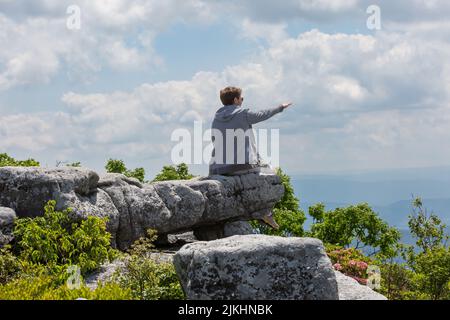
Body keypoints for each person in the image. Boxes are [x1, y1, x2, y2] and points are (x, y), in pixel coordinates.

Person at [208, 86, 293, 229]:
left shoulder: (216, 118)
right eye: (241, 98)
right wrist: (280, 107)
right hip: (241, 166)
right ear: (235, 100)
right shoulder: (242, 114)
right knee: (272, 174)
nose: (242, 100)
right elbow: (262, 114)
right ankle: (265, 213)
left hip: (218, 168)